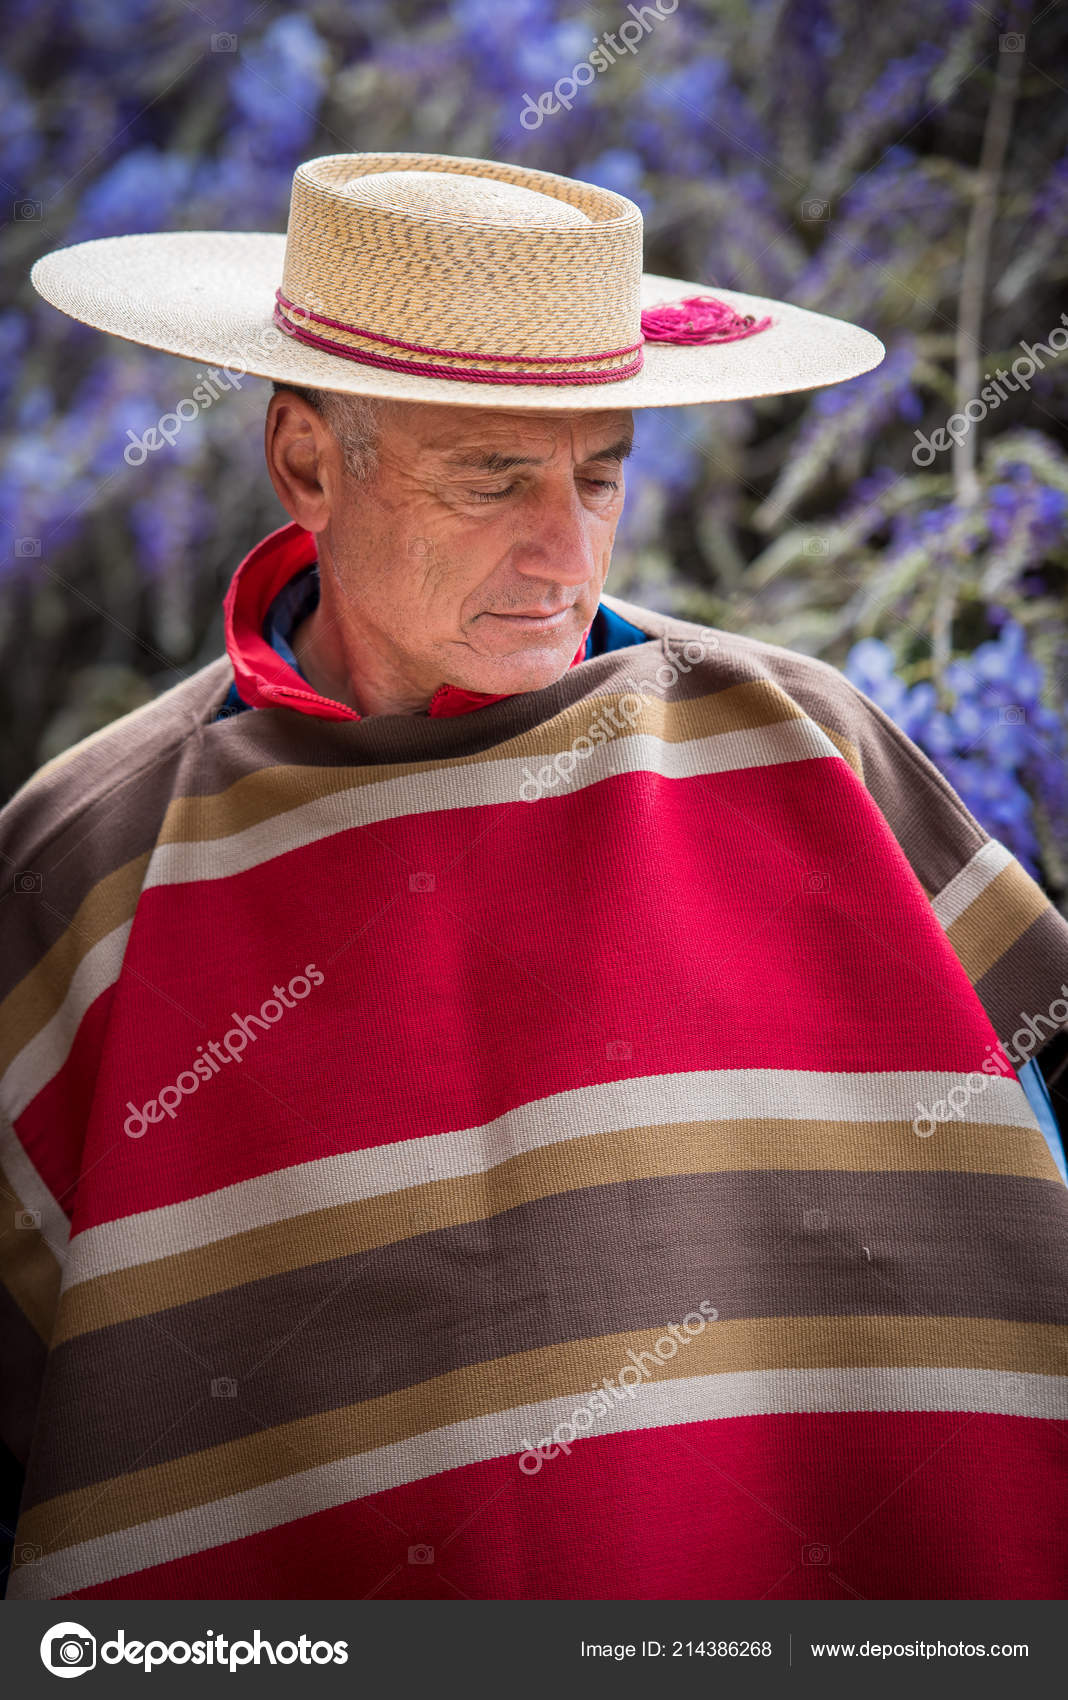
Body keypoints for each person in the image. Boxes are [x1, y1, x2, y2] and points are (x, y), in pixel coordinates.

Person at [3, 151, 1066, 1603]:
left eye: (600, 475)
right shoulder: (94, 858)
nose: (561, 553)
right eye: (492, 478)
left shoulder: (810, 749)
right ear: (309, 460)